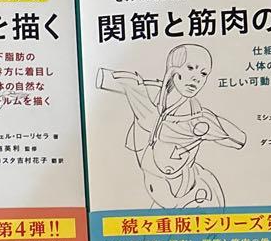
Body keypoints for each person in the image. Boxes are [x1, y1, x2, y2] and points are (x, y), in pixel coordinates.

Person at [97, 43, 246, 209]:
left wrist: (213, 124)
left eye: (203, 73)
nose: (196, 78)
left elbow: (239, 140)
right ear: (173, 69)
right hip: (159, 187)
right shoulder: (148, 94)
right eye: (190, 68)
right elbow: (105, 79)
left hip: (192, 189)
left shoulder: (198, 117)